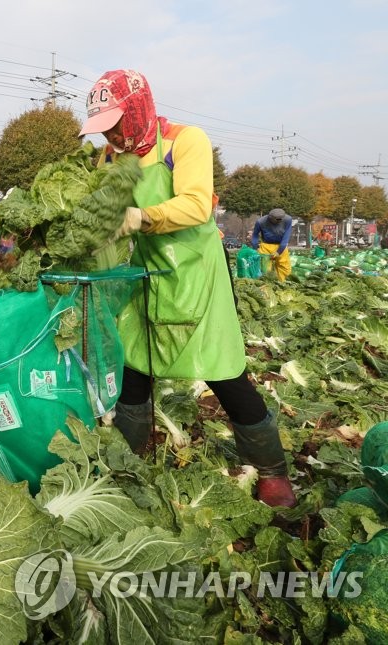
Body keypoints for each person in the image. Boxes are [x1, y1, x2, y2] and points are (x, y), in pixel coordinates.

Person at [78, 69, 296, 507]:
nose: (113, 137)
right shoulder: (107, 160)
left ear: (137, 110)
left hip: (194, 277)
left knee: (224, 374)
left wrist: (141, 217)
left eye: (116, 125)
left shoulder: (184, 141)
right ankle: (130, 464)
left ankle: (273, 471)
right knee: (134, 373)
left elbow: (197, 205)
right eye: (103, 130)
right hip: (139, 278)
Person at [251, 208, 294, 280]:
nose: (280, 221)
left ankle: (284, 284)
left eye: (281, 219)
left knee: (285, 268)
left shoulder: (288, 219)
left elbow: (286, 237)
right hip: (266, 246)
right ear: (270, 218)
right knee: (265, 269)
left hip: (281, 246)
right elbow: (255, 235)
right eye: (278, 219)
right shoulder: (260, 222)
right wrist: (255, 249)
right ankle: (266, 285)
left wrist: (279, 252)